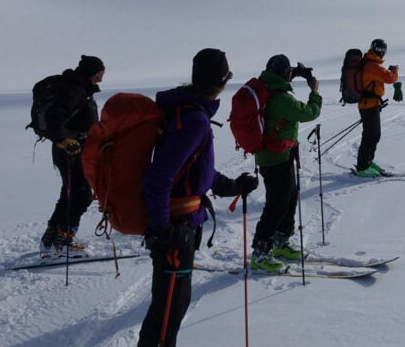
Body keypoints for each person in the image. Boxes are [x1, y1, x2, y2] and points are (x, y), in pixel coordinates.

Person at [138, 48, 259, 347]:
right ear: (221, 82)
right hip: (176, 228)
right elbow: (159, 178)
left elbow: (194, 171)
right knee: (167, 314)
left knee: (172, 307)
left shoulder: (187, 113)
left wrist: (233, 186)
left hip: (180, 224)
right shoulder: (194, 120)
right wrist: (164, 230)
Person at [249, 54, 322, 272]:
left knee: (290, 196)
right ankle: (260, 252)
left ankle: (281, 241)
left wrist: (295, 73)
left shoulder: (267, 86)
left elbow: (280, 79)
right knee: (277, 204)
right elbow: (310, 112)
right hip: (274, 158)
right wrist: (314, 91)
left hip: (279, 155)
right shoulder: (281, 98)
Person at [39, 55, 105, 257]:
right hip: (70, 150)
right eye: (101, 71)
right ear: (93, 72)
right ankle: (62, 240)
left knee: (70, 193)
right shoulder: (74, 90)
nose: (103, 75)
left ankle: (51, 239)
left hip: (76, 148)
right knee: (81, 194)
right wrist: (63, 140)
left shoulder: (80, 88)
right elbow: (55, 118)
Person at [354, 38, 399, 178]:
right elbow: (390, 79)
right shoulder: (372, 66)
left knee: (374, 135)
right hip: (369, 105)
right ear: (373, 48)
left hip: (371, 105)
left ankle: (367, 162)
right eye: (379, 49)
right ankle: (362, 167)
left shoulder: (370, 64)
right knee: (370, 136)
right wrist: (395, 71)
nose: (381, 52)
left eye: (383, 50)